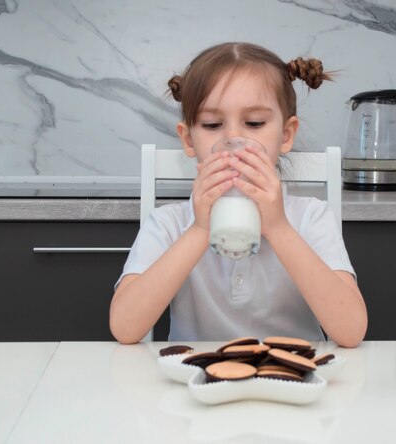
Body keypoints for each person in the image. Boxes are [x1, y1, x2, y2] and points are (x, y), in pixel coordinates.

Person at [110, 42, 367, 347]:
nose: (234, 140)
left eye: (254, 123)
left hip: (293, 376)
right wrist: (199, 230)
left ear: (285, 135)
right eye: (212, 124)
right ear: (189, 139)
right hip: (198, 377)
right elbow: (125, 328)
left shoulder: (310, 217)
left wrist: (278, 227)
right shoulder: (168, 223)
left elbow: (351, 332)